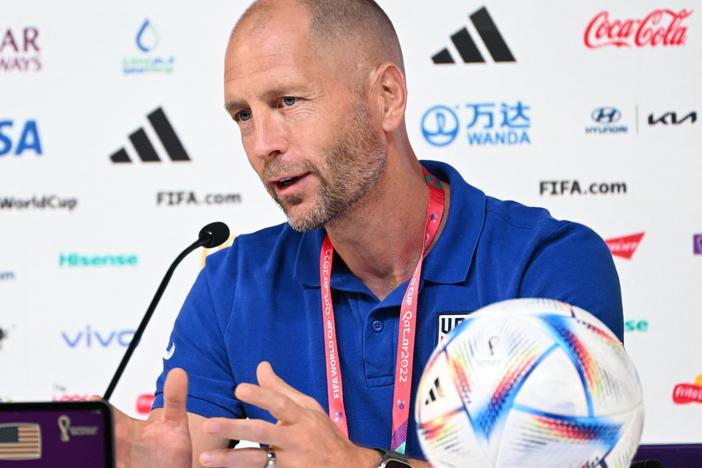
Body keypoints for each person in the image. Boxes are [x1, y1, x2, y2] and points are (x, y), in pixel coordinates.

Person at [109, 0, 623, 466]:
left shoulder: (548, 262)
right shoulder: (231, 282)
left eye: (287, 101)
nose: (262, 144)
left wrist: (363, 466)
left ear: (387, 97)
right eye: (243, 115)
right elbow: (193, 448)